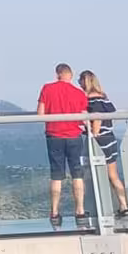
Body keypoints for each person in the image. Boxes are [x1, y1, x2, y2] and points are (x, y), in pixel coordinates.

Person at [37, 62, 90, 229]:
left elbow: (40, 113)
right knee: (77, 174)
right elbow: (83, 116)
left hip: (54, 136)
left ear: (57, 74)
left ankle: (54, 212)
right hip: (74, 136)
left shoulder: (47, 89)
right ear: (71, 75)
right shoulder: (79, 93)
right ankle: (80, 211)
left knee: (56, 175)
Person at [78, 71, 128, 220]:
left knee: (89, 176)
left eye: (80, 81)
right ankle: (124, 205)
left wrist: (93, 134)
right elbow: (111, 116)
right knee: (113, 175)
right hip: (110, 138)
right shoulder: (105, 98)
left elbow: (96, 118)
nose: (79, 84)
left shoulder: (91, 100)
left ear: (86, 82)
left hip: (99, 140)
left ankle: (95, 211)